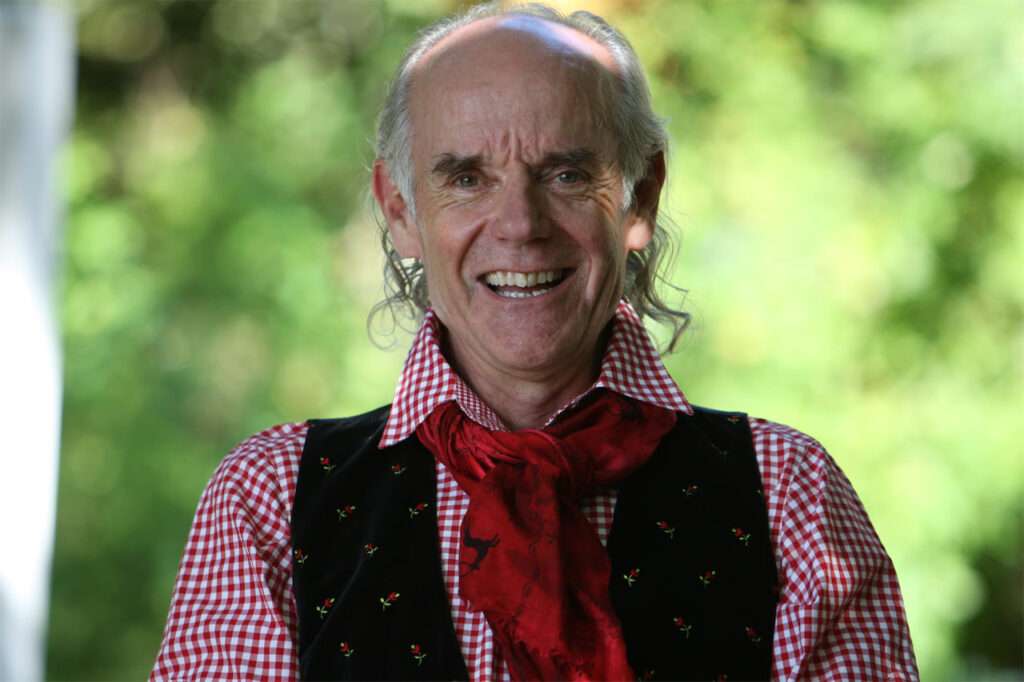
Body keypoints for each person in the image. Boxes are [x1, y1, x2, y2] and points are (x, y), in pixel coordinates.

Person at [151, 3, 918, 681]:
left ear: (641, 198)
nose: (520, 224)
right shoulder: (269, 499)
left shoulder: (788, 495)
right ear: (401, 211)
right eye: (466, 178)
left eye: (565, 174)